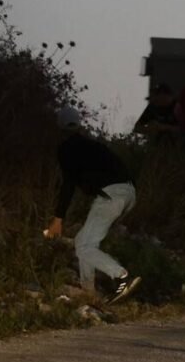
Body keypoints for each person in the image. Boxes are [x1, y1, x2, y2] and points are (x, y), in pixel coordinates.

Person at [45, 107, 141, 303]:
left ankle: (121, 276)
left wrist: (58, 219)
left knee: (84, 245)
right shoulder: (94, 145)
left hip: (111, 194)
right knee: (83, 241)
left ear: (60, 127)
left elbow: (69, 185)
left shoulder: (66, 149)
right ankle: (89, 294)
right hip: (129, 192)